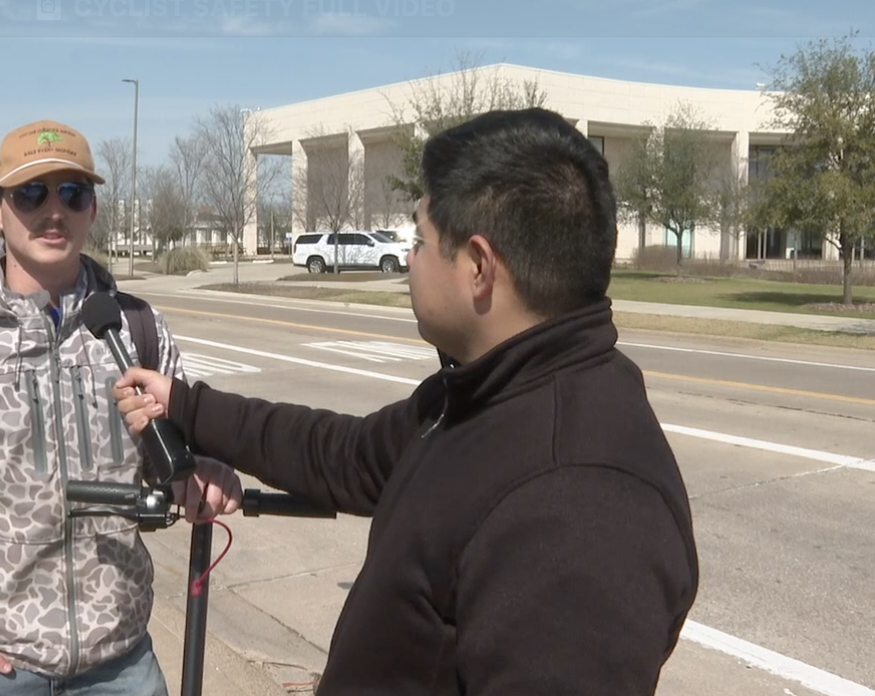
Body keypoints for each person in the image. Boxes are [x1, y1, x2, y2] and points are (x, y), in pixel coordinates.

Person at [113, 108, 700, 695]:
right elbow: (344, 453)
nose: (410, 259)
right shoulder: (480, 395)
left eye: (420, 239)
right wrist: (188, 407)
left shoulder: (578, 502)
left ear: (478, 267)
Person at [0, 118, 243, 696]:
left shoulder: (140, 330)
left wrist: (203, 472)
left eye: (73, 193)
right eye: (31, 192)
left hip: (121, 661)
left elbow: (182, 453)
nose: (53, 210)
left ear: (92, 208)